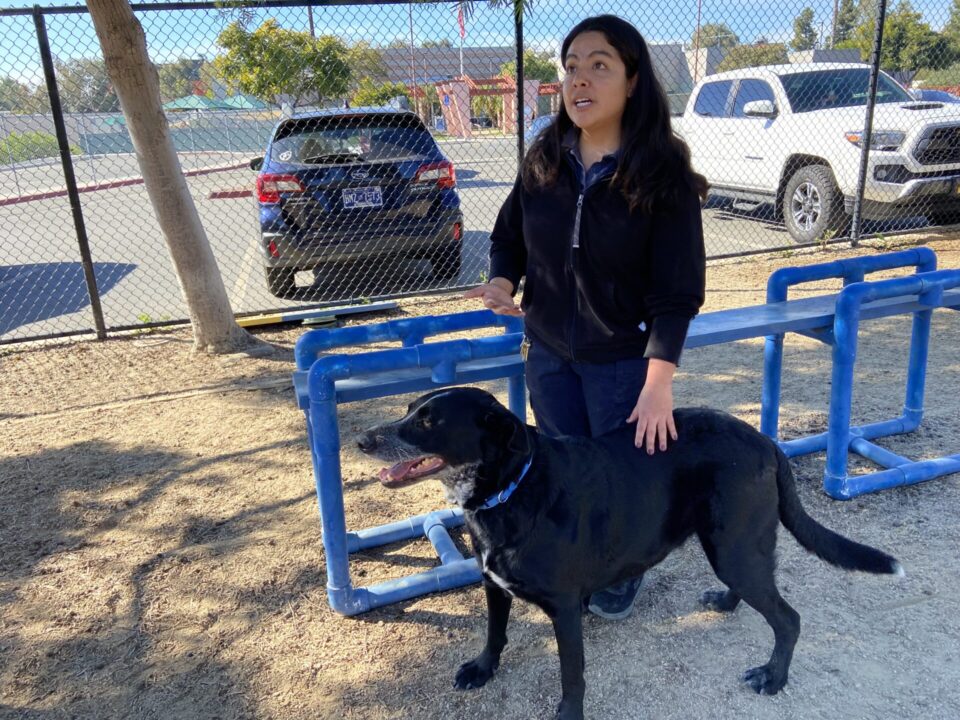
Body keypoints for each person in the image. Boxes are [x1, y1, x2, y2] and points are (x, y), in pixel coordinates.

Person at [464, 15, 708, 620]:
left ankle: (621, 576)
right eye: (571, 66)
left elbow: (677, 294)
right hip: (547, 354)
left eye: (599, 65)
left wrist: (658, 387)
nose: (580, 79)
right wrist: (501, 279)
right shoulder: (544, 157)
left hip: (622, 365)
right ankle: (573, 564)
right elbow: (510, 236)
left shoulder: (662, 177)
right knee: (565, 468)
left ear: (632, 80)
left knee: (623, 482)